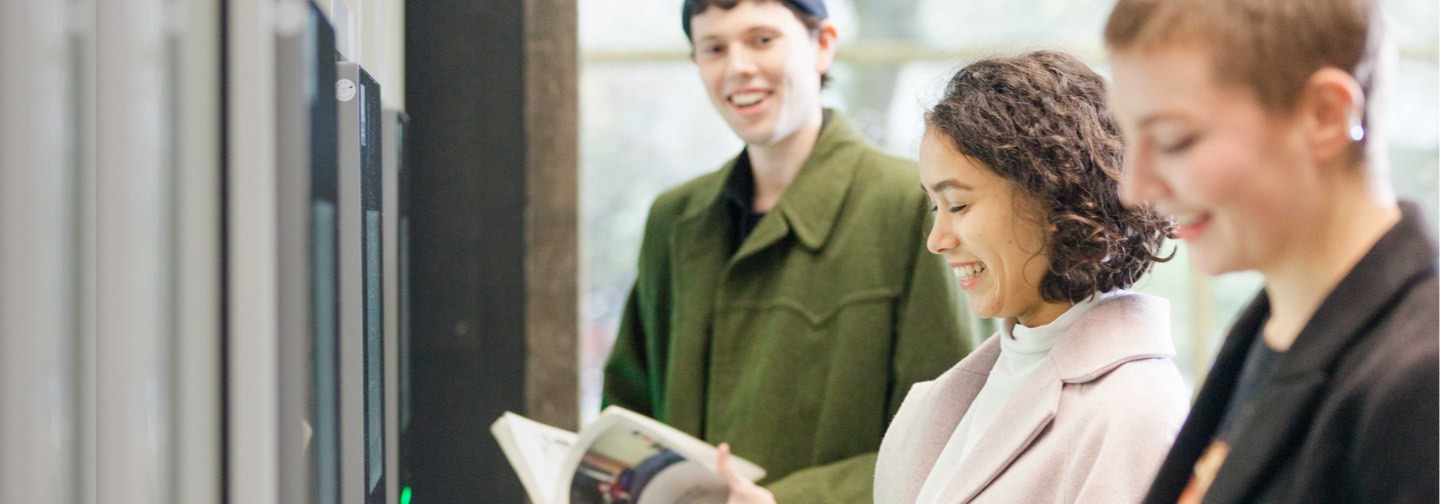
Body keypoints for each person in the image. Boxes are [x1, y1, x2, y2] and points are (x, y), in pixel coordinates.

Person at [720, 50, 1190, 503]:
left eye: (959, 205)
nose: (937, 239)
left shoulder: (1134, 410)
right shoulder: (956, 394)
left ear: (1053, 194)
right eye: (934, 205)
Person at [602, 0, 989, 501]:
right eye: (714, 47)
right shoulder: (673, 221)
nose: (738, 66)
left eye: (762, 40)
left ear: (822, 45)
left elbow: (953, 433)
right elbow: (628, 411)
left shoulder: (912, 206)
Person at [1103, 0, 1440, 501]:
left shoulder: (1422, 382)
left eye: (1174, 140)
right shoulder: (1269, 333)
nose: (1134, 189)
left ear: (1326, 115)